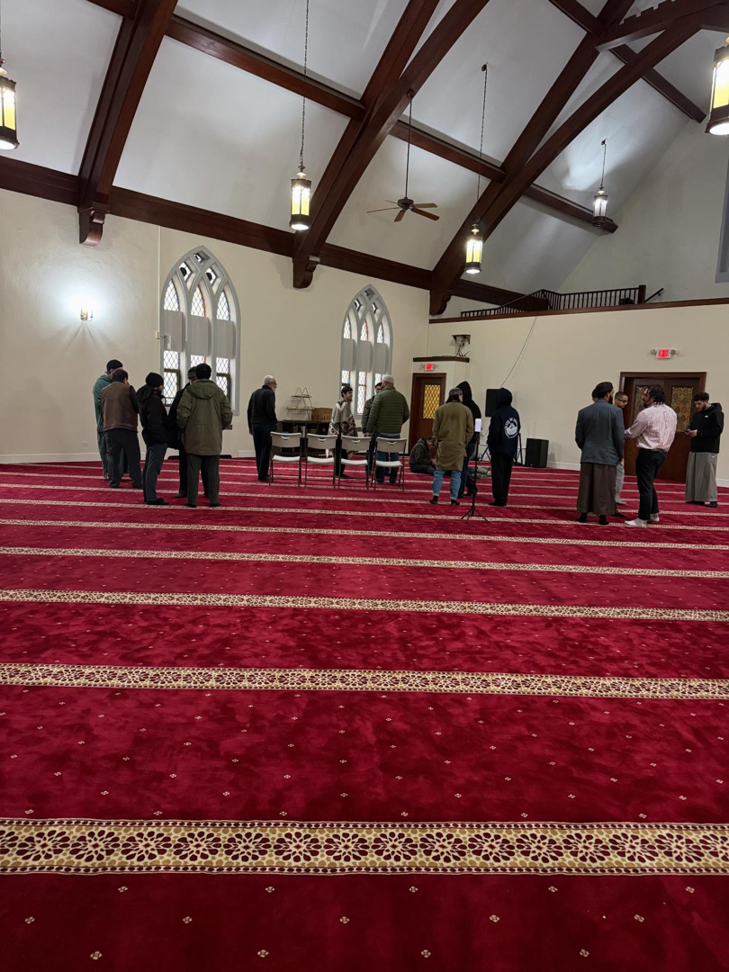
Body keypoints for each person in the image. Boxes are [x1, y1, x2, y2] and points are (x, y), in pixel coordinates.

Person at [177, 363, 233, 508]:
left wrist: (184, 429)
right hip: (213, 436)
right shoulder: (218, 391)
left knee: (192, 471)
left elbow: (182, 413)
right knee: (213, 471)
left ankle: (192, 501)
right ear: (210, 374)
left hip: (193, 436)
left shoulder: (189, 391)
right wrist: (220, 427)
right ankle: (214, 499)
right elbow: (227, 414)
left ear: (196, 374)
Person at [624, 385, 677, 527]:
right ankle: (654, 513)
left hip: (648, 453)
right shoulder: (672, 412)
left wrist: (619, 433)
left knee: (645, 487)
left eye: (646, 395)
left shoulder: (646, 413)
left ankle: (642, 519)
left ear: (653, 397)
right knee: (648, 483)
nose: (643, 397)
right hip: (662, 453)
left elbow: (633, 433)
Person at [575, 381, 624, 525]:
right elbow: (619, 437)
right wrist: (620, 454)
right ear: (608, 394)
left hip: (589, 454)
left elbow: (579, 437)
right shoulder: (615, 412)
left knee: (586, 486)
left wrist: (586, 448)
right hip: (607, 455)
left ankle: (583, 514)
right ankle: (602, 516)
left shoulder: (583, 411)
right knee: (604, 487)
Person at [168, 368, 209, 500]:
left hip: (192, 434)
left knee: (201, 464)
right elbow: (174, 416)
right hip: (194, 435)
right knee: (189, 464)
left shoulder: (210, 393)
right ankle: (188, 489)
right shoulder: (183, 394)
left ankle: (204, 490)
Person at [430, 388, 474, 506]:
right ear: (459, 396)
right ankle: (454, 499)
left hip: (444, 446)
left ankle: (435, 497)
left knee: (439, 472)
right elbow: (470, 430)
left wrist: (436, 441)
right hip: (458, 446)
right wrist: (464, 441)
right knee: (456, 474)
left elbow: (435, 429)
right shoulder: (466, 410)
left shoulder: (441, 409)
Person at [100, 369, 142, 490]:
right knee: (133, 456)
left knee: (112, 456)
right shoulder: (128, 388)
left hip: (110, 428)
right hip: (127, 427)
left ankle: (113, 481)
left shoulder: (104, 391)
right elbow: (137, 406)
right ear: (125, 379)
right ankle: (136, 481)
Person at [366, 374, 410, 485]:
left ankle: (380, 478)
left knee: (381, 455)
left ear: (384, 383)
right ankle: (393, 479)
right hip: (396, 433)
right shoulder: (401, 397)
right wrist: (397, 424)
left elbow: (373, 415)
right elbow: (406, 414)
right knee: (395, 456)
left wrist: (369, 430)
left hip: (381, 432)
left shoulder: (380, 397)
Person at [685, 392, 723, 508]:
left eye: (699, 403)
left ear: (706, 401)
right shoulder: (697, 415)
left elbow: (717, 430)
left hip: (708, 448)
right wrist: (689, 430)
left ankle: (711, 499)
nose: (697, 406)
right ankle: (696, 497)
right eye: (696, 404)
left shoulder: (716, 413)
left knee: (707, 475)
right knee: (694, 474)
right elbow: (692, 426)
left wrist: (699, 433)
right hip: (695, 447)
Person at [137, 372, 170, 506]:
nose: (163, 387)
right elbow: (155, 423)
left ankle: (148, 495)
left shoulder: (143, 397)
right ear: (158, 385)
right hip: (156, 438)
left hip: (149, 436)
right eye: (162, 384)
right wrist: (162, 438)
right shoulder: (154, 400)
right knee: (153, 468)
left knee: (148, 467)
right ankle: (151, 497)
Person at [486, 388, 520, 507]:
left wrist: (490, 444)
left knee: (498, 475)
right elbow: (517, 429)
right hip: (510, 449)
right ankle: (504, 496)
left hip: (499, 450)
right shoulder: (514, 412)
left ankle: (499, 498)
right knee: (506, 475)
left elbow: (494, 433)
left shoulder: (498, 414)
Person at [92, 358, 123, 480]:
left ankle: (118, 473)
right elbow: (101, 403)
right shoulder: (100, 384)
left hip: (118, 422)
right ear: (111, 371)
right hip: (105, 423)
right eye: (118, 371)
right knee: (106, 450)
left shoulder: (118, 382)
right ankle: (108, 472)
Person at [247, 376, 278, 482]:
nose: (276, 387)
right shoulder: (270, 394)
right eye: (275, 385)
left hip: (255, 425)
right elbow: (270, 410)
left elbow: (249, 411)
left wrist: (250, 426)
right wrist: (275, 422)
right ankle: (262, 475)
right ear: (271, 383)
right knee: (265, 450)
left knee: (258, 450)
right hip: (266, 425)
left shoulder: (255, 393)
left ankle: (260, 472)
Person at [457, 381, 481, 498]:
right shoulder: (472, 407)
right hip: (466, 441)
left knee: (462, 467)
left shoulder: (471, 408)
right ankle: (471, 487)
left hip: (468, 443)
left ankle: (460, 490)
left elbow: (477, 426)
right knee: (463, 466)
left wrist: (471, 438)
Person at [329, 384, 357, 478]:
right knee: (341, 454)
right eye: (349, 393)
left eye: (351, 393)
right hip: (340, 434)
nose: (351, 395)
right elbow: (342, 421)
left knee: (340, 454)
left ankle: (338, 473)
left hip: (338, 434)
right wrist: (344, 433)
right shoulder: (343, 405)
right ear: (343, 394)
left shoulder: (341, 403)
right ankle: (338, 473)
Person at [613, 390, 629, 509]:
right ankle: (615, 496)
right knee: (619, 472)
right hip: (613, 448)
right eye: (623, 401)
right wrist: (620, 452)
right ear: (616, 399)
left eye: (626, 401)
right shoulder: (616, 411)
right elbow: (619, 434)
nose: (625, 403)